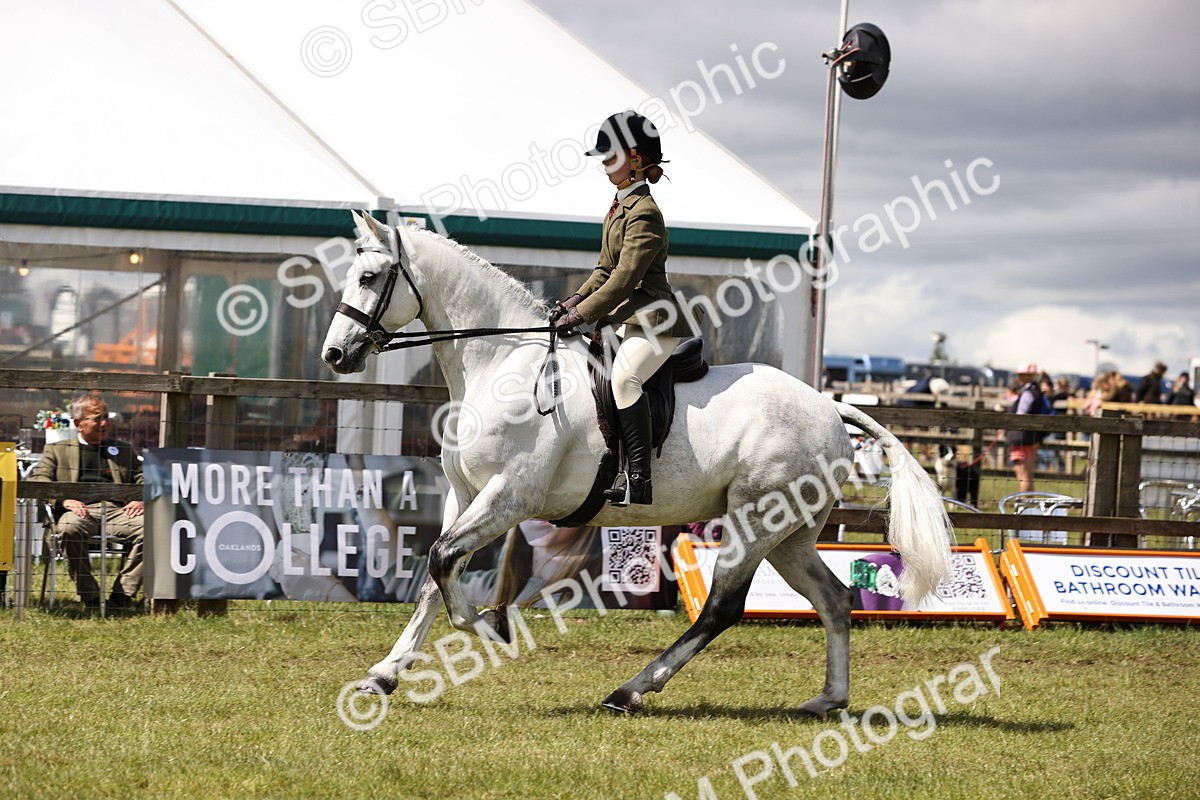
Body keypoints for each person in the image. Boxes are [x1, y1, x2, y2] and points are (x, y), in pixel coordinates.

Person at [550, 111, 694, 506]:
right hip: (627, 321)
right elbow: (603, 270)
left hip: (655, 322)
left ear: (634, 158)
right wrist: (572, 302)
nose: (603, 164)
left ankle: (639, 479)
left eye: (609, 156)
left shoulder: (646, 212)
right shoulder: (618, 207)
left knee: (625, 380)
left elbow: (624, 279)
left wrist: (582, 316)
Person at [29, 392, 144, 608]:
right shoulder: (57, 450)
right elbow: (39, 479)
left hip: (118, 512)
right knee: (68, 529)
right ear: (78, 423)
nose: (104, 423)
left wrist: (141, 499)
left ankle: (122, 595)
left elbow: (144, 478)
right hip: (78, 512)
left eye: (106, 417)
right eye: (97, 418)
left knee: (152, 530)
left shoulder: (123, 449)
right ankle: (90, 595)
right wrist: (64, 499)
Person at [1005, 362, 1044, 493]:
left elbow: (1021, 414)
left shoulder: (1028, 393)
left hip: (1022, 437)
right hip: (1028, 437)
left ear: (1029, 376)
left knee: (1023, 474)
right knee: (1026, 474)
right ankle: (1027, 506)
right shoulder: (1034, 391)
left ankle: (1024, 505)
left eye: (1021, 375)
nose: (1018, 378)